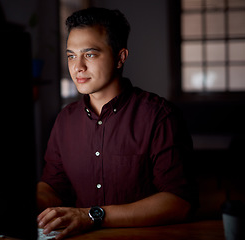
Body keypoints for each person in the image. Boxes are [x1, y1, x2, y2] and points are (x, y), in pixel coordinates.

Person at [37, 7, 198, 239]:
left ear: (120, 57)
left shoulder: (159, 116)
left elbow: (180, 202)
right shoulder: (65, 120)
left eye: (90, 54)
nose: (77, 66)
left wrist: (94, 215)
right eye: (71, 55)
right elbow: (54, 186)